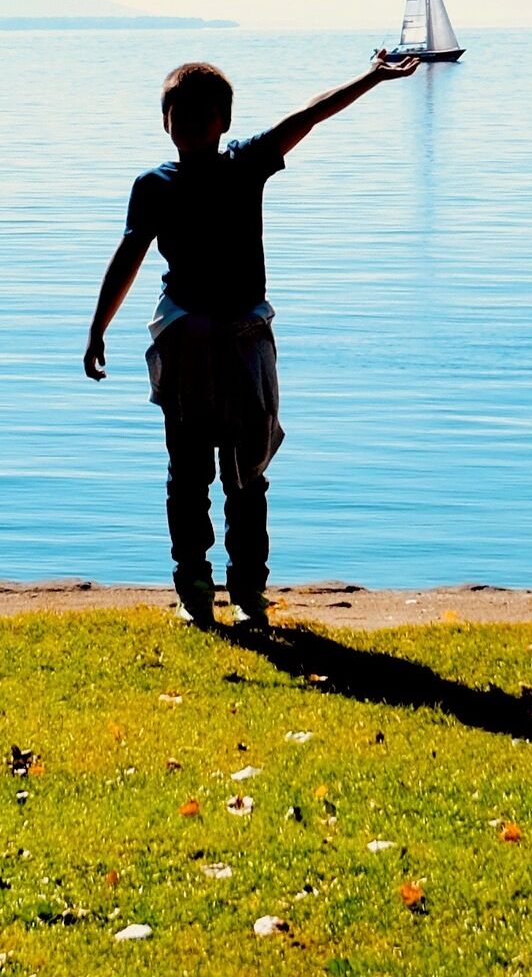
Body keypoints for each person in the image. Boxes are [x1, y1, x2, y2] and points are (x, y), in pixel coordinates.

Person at [84, 46, 424, 629]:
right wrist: (98, 328)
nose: (187, 125)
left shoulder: (247, 163)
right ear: (164, 121)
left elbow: (309, 116)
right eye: (177, 115)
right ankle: (194, 591)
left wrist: (370, 76)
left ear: (223, 121)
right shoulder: (153, 186)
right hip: (186, 337)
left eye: (200, 115)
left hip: (244, 338)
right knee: (188, 472)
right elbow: (128, 257)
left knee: (247, 472)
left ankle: (247, 594)